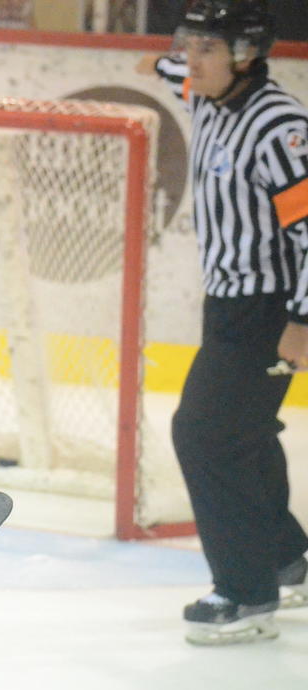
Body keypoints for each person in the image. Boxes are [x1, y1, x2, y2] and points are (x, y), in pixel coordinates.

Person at [138, 0, 308, 645]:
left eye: (207, 48)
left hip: (271, 309)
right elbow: (168, 70)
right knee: (245, 434)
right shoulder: (204, 94)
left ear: (246, 56)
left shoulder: (279, 127)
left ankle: (246, 595)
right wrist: (166, 61)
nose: (190, 60)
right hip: (227, 306)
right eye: (188, 45)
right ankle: (288, 559)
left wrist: (302, 321)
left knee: (205, 434)